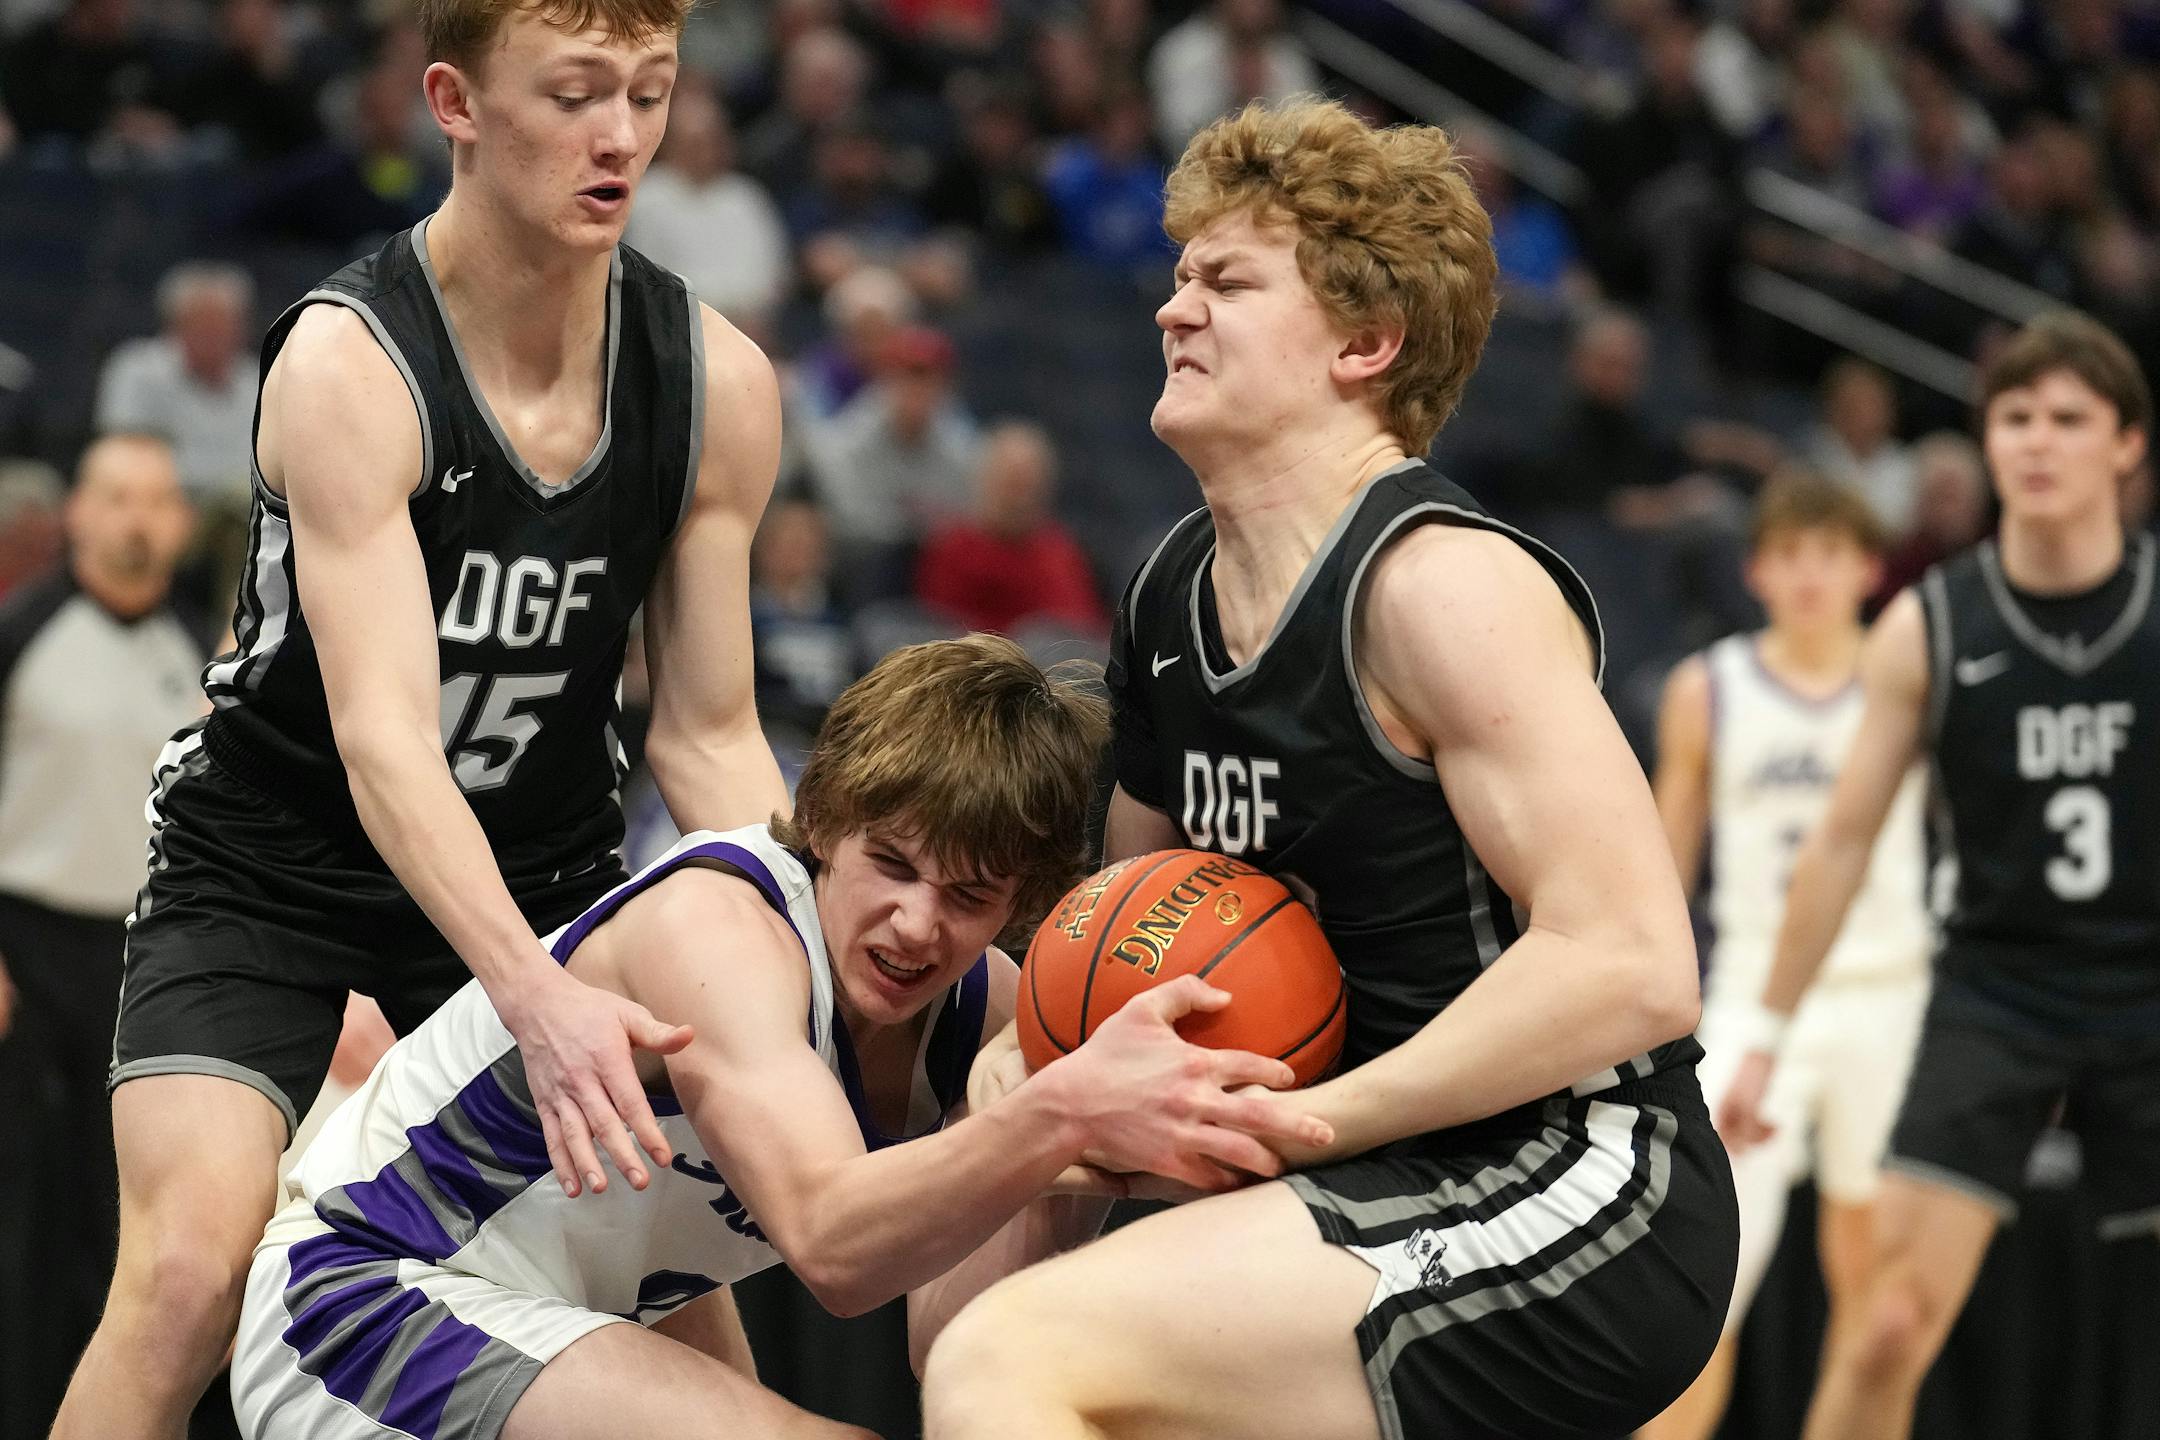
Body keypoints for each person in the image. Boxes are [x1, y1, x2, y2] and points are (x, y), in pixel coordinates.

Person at [921, 97, 1738, 1440]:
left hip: (1573, 1174)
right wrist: (1038, 1060)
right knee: (963, 1321)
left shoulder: (1440, 588)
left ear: (1366, 342)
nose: (1174, 309)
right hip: (1360, 1172)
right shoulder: (1169, 594)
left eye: (1228, 282)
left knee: (1010, 1358)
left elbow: (1634, 964)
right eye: (1179, 276)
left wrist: (1319, 1123)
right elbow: (1124, 937)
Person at [56, 3, 792, 1436]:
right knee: (191, 1276)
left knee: (682, 1325)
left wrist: (803, 950)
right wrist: (535, 999)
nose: (621, 136)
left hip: (545, 860)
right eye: (575, 94)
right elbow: (385, 744)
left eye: (649, 93)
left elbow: (707, 739)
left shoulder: (717, 382)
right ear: (453, 103)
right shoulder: (353, 362)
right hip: (271, 860)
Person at [229, 634, 1329, 1440]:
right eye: (891, 866)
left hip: (547, 1325)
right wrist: (1064, 1108)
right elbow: (835, 1246)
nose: (917, 926)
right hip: (363, 1299)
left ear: (1023, 903)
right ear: (830, 820)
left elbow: (946, 1341)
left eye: (968, 897)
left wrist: (1061, 1155)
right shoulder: (719, 931)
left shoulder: (997, 1018)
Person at [1719, 309, 2160, 1440]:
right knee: (1887, 1322)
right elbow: (1842, 843)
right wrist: (1766, 1030)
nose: (2038, 440)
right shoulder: (1929, 624)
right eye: (2015, 417)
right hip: (1997, 992)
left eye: (2069, 418)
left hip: (2146, 985)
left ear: (2127, 444)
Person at [1637, 470, 1932, 1440]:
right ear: (1756, 571)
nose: (1809, 575)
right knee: (1708, 1285)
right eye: (1789, 555)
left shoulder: (1910, 679)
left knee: (1877, 1299)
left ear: (1870, 571)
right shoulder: (1707, 688)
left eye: (1830, 554)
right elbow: (1666, 861)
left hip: (1890, 992)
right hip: (1751, 996)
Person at [0, 435, 200, 1439]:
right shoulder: (22, 632)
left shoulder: (201, 648)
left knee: (128, 1216)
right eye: (116, 496)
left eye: (156, 500)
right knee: (26, 1213)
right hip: (28, 956)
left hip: (149, 961)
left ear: (181, 523)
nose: (136, 519)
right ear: (76, 513)